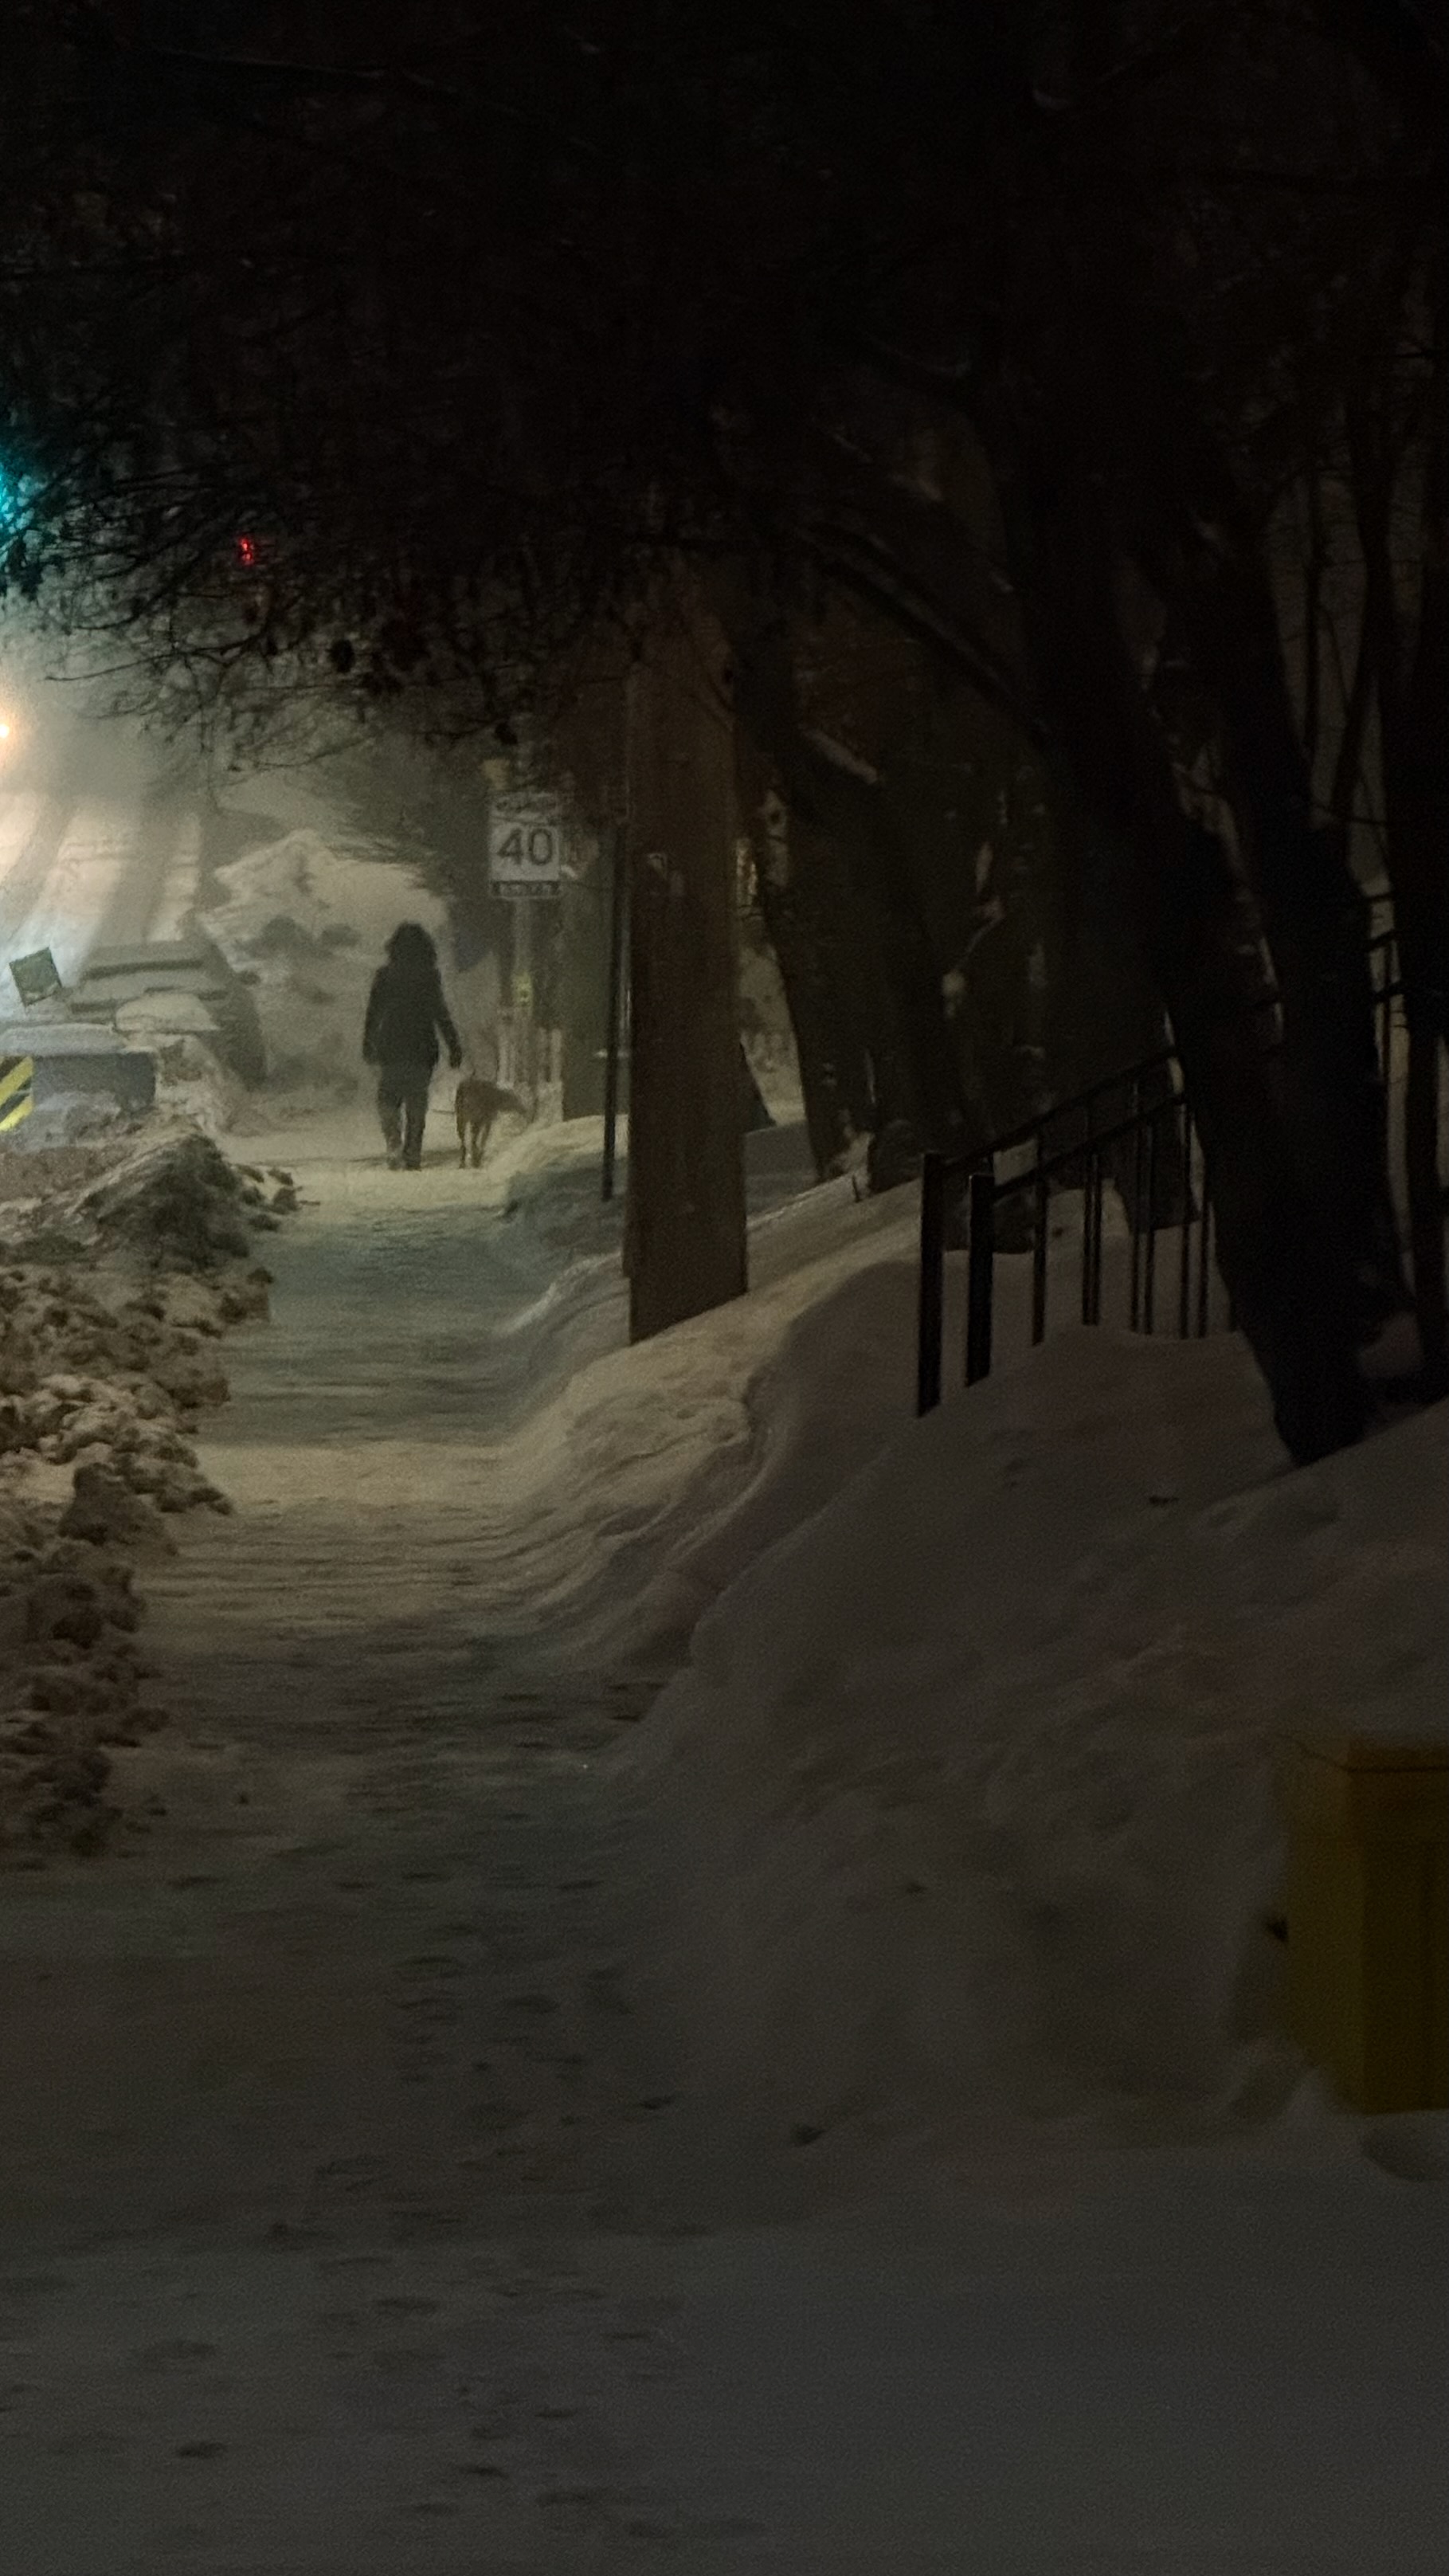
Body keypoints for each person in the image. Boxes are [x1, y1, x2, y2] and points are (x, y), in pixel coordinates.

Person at [362, 923, 462, 1169]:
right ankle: (413, 1152)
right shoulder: (429, 975)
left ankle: (393, 1139)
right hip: (421, 1046)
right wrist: (453, 1045)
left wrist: (368, 1043)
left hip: (391, 1046)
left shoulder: (384, 975)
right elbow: (440, 1012)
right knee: (417, 1102)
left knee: (387, 1098)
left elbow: (373, 1013)